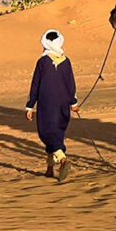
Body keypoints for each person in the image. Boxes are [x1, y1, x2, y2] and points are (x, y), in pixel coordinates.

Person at [25, 29, 78, 181]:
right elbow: (71, 84)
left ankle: (62, 160)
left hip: (47, 103)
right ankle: (49, 169)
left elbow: (35, 84)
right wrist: (73, 102)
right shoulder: (66, 61)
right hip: (63, 103)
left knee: (47, 132)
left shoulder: (42, 62)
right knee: (56, 133)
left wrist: (30, 105)